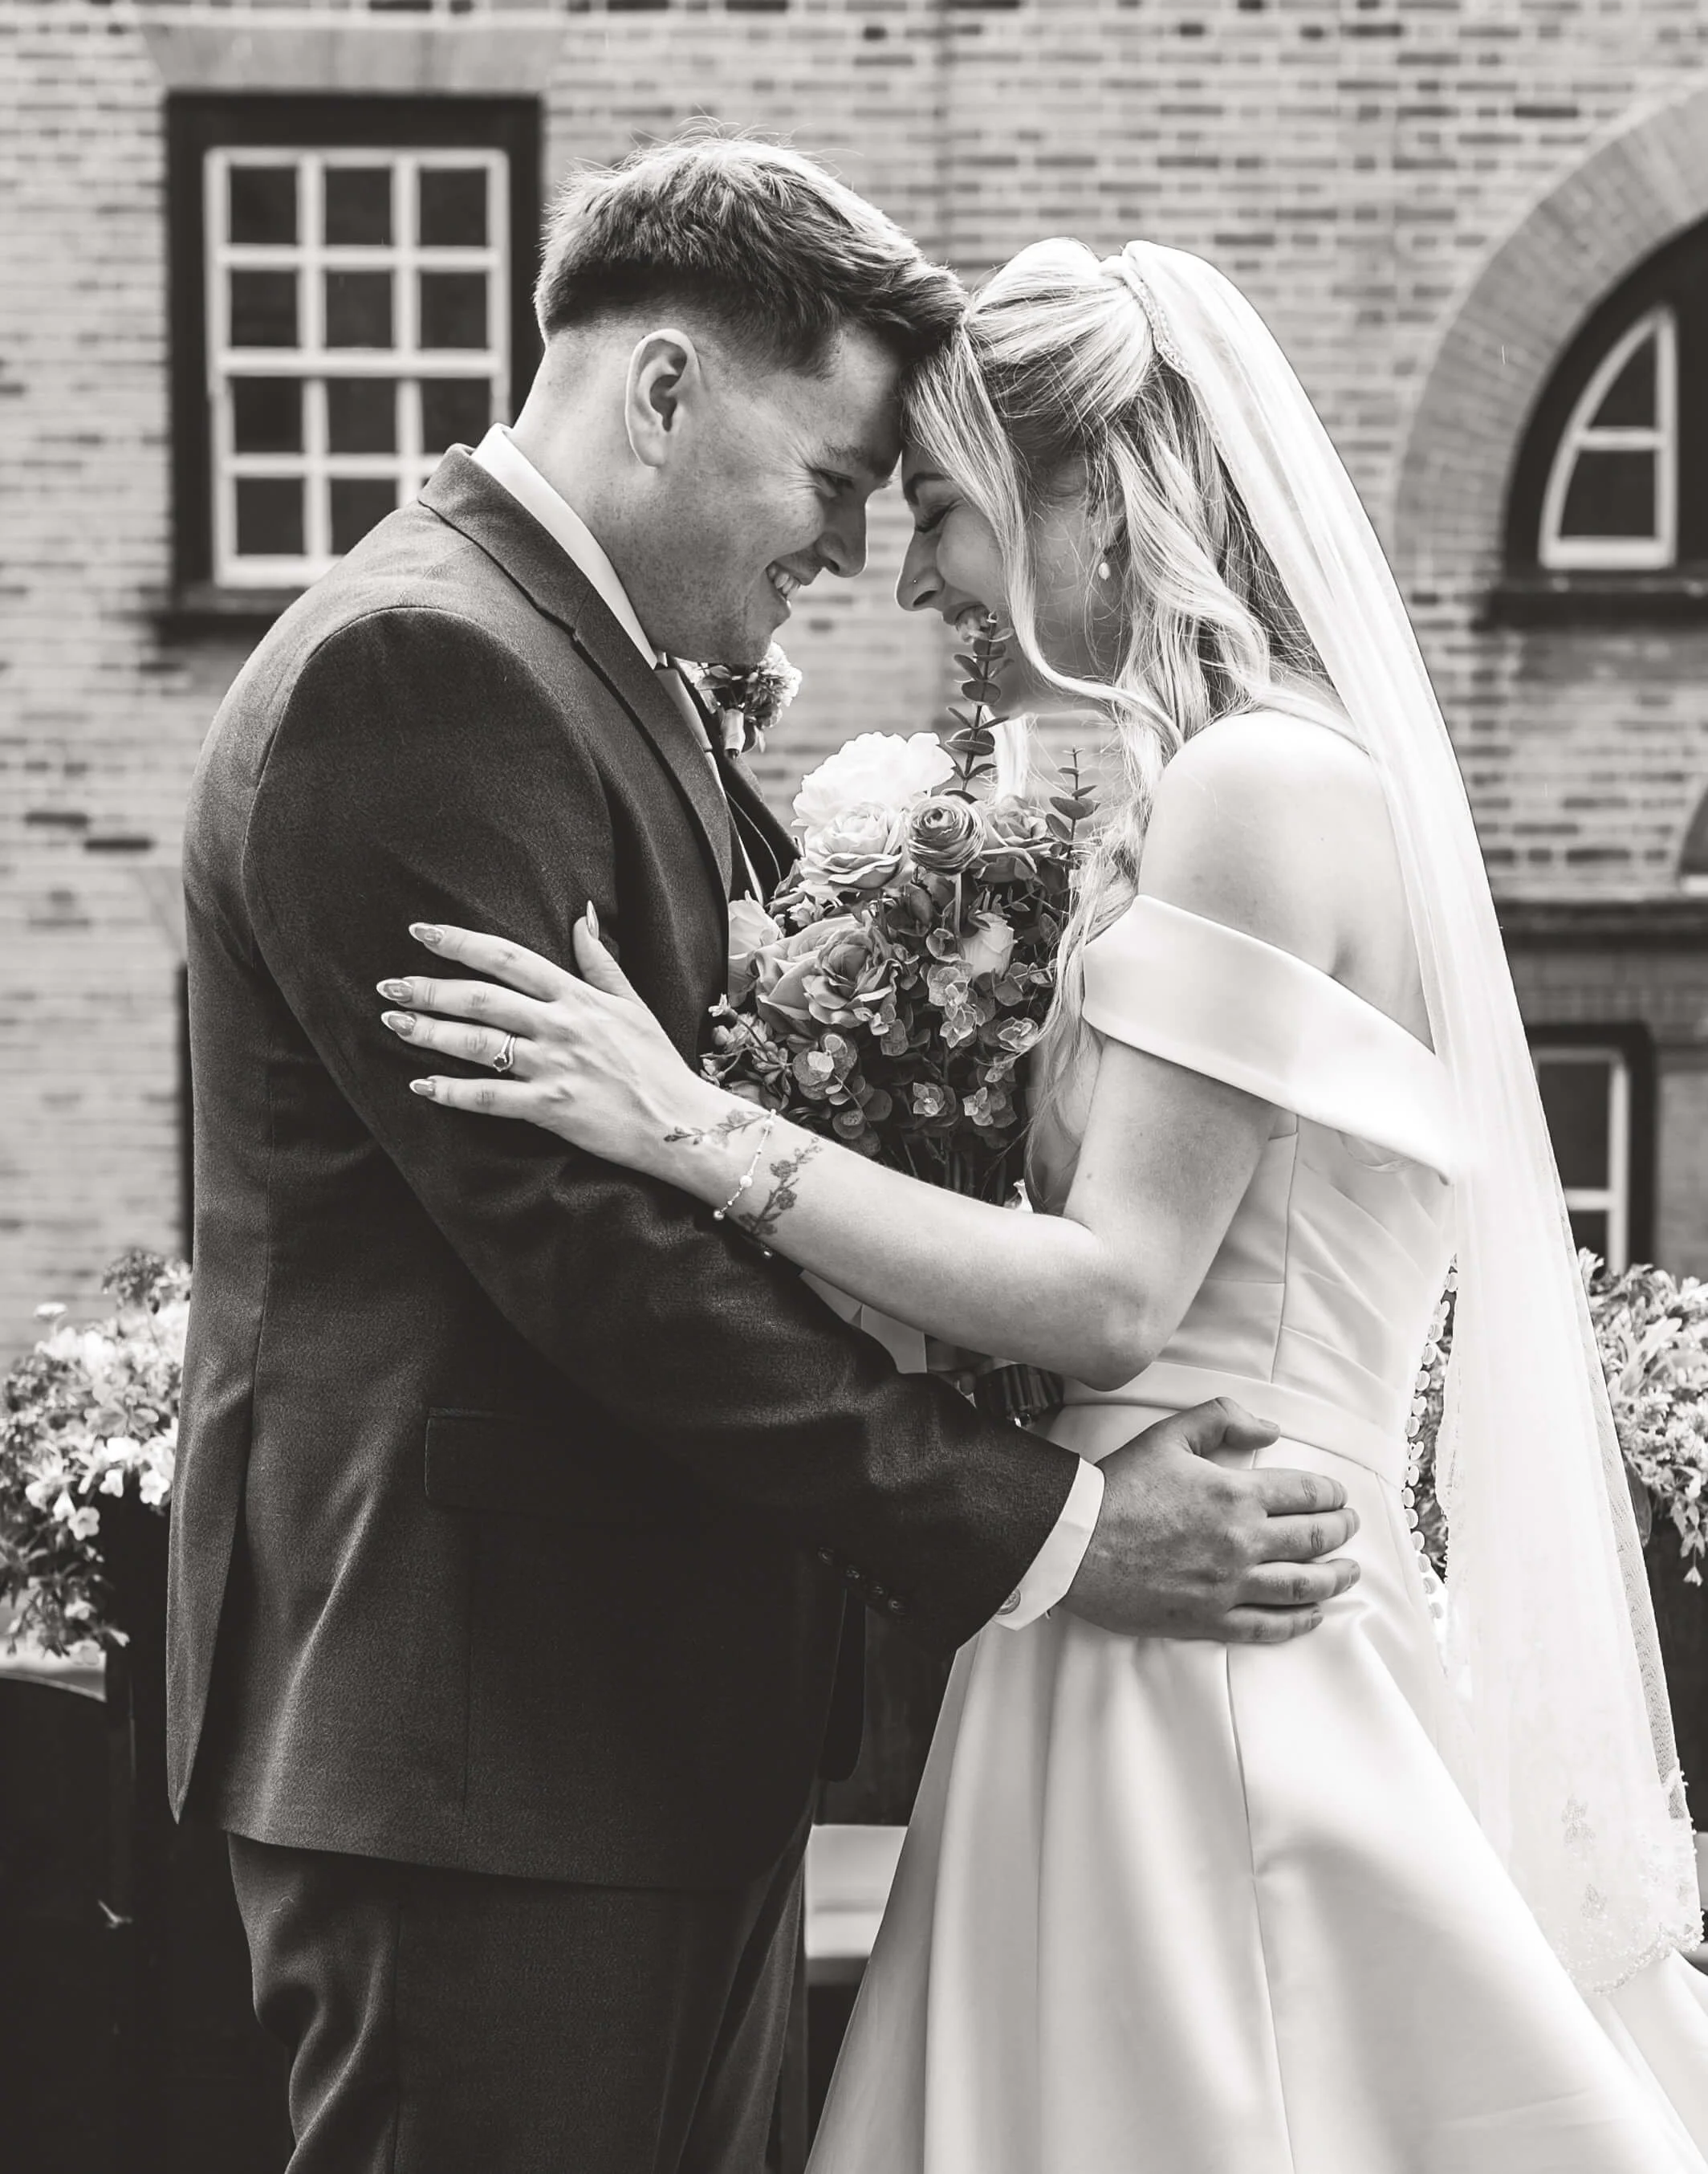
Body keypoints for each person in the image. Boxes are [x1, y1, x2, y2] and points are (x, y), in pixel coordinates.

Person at [388, 236, 1708, 2168]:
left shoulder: (1259, 787)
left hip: (1208, 1642)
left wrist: (687, 1127)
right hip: (1124, 1608)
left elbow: (1109, 1298)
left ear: (1090, 491)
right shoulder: (1217, 784)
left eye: (937, 506)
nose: (911, 575)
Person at [167, 145, 1360, 2174]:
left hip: (628, 1730)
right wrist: (1053, 1527)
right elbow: (596, 1257)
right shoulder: (417, 669)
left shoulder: (575, 662)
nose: (854, 554)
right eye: (831, 480)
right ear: (662, 388)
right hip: (479, 1740)